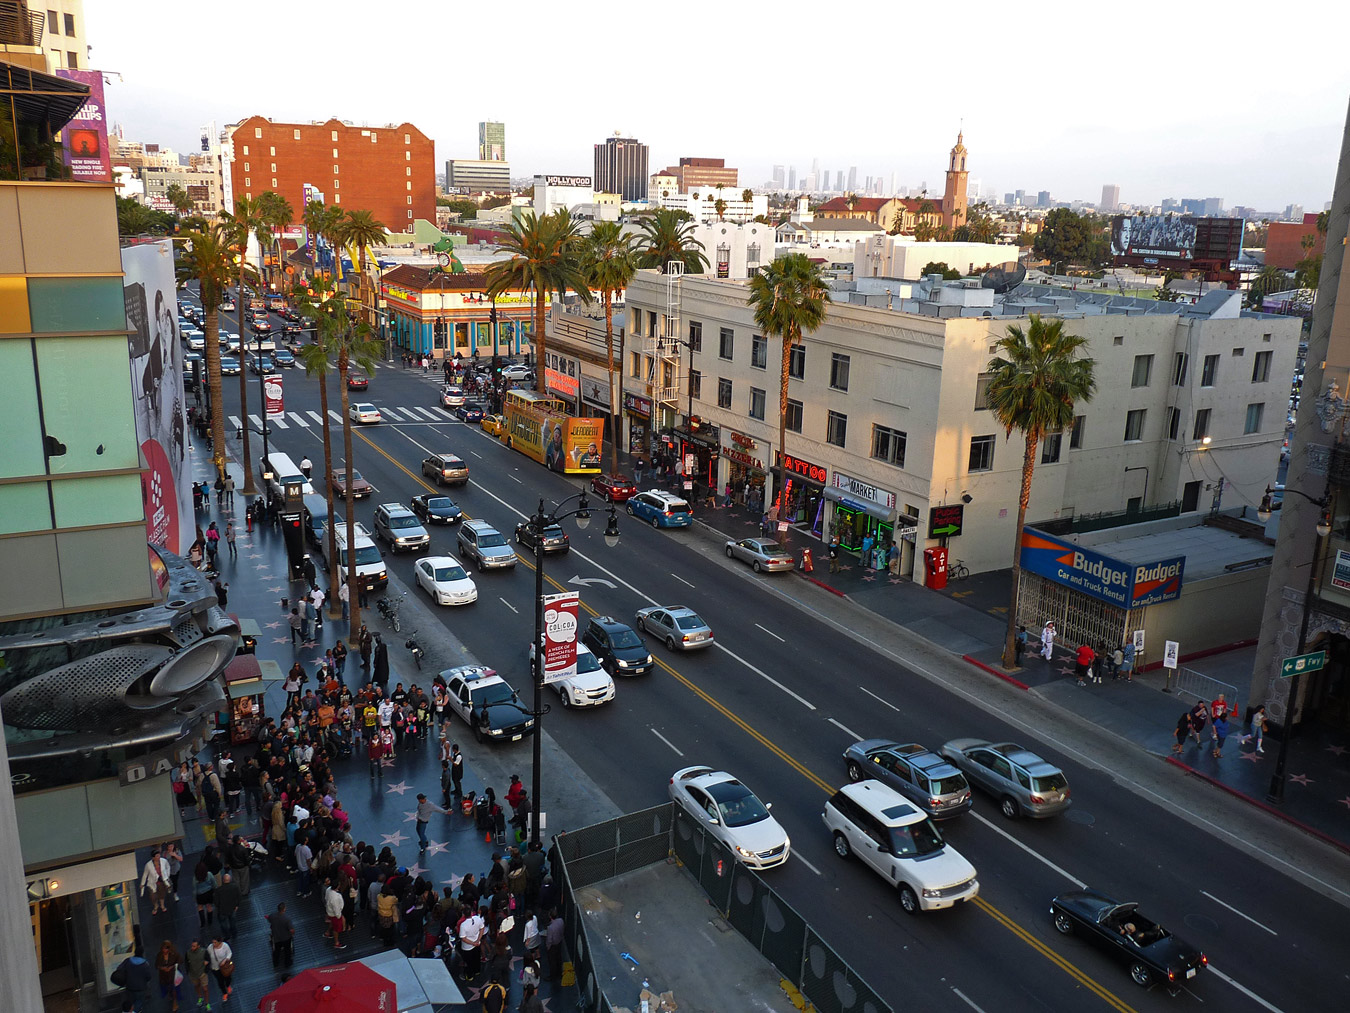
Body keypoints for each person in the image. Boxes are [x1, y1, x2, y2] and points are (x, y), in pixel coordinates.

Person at [115, 947, 153, 1011]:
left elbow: (119, 969)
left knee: (131, 999)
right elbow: (149, 977)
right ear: (142, 954)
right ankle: (136, 1010)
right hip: (141, 988)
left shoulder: (128, 961)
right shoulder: (145, 964)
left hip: (130, 987)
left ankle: (131, 1009)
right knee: (139, 1001)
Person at [140, 848, 172, 915]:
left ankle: (162, 905)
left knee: (162, 894)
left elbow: (168, 867)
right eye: (157, 856)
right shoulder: (148, 865)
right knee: (153, 896)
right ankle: (156, 906)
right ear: (153, 857)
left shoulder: (163, 861)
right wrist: (142, 884)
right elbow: (145, 874)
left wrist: (167, 876)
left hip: (161, 881)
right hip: (152, 883)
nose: (158, 857)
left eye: (159, 855)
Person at [155, 940, 183, 1012]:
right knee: (168, 989)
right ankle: (170, 995)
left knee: (174, 990)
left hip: (173, 976)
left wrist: (172, 967)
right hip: (164, 977)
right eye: (164, 948)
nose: (165, 950)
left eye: (166, 948)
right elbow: (156, 965)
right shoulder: (159, 955)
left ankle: (175, 1003)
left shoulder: (174, 954)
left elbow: (180, 961)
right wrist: (162, 968)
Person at [182, 938, 209, 1009]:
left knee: (205, 989)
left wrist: (206, 969)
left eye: (194, 946)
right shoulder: (188, 953)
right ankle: (200, 997)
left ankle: (207, 1003)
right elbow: (186, 962)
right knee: (196, 985)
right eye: (192, 946)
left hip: (202, 973)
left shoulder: (204, 951)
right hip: (193, 974)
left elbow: (208, 959)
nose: (192, 947)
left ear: (198, 946)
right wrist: (188, 971)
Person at [205, 934, 233, 1004]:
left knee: (227, 978)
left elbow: (229, 953)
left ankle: (228, 985)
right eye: (213, 942)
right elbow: (207, 956)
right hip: (215, 968)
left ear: (220, 942)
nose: (213, 944)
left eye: (215, 942)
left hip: (224, 967)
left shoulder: (225, 946)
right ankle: (224, 993)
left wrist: (225, 960)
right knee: (220, 982)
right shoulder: (210, 947)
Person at [268, 901, 294, 970]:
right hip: (286, 938)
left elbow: (269, 919)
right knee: (287, 951)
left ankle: (276, 963)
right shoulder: (287, 919)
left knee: (277, 951)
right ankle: (287, 963)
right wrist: (292, 933)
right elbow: (291, 930)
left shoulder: (272, 915)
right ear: (284, 909)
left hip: (276, 937)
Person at [324, 877, 348, 949]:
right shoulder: (336, 897)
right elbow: (337, 909)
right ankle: (336, 943)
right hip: (335, 915)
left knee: (332, 922)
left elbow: (326, 898)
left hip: (329, 911)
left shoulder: (328, 890)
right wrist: (339, 916)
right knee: (336, 929)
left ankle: (327, 933)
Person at [214, 872, 240, 940]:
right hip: (232, 908)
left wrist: (219, 907)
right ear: (230, 880)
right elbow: (239, 897)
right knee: (232, 921)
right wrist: (237, 905)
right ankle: (234, 934)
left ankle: (227, 935)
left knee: (223, 924)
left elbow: (216, 902)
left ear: (223, 880)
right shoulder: (235, 887)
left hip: (222, 910)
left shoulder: (218, 890)